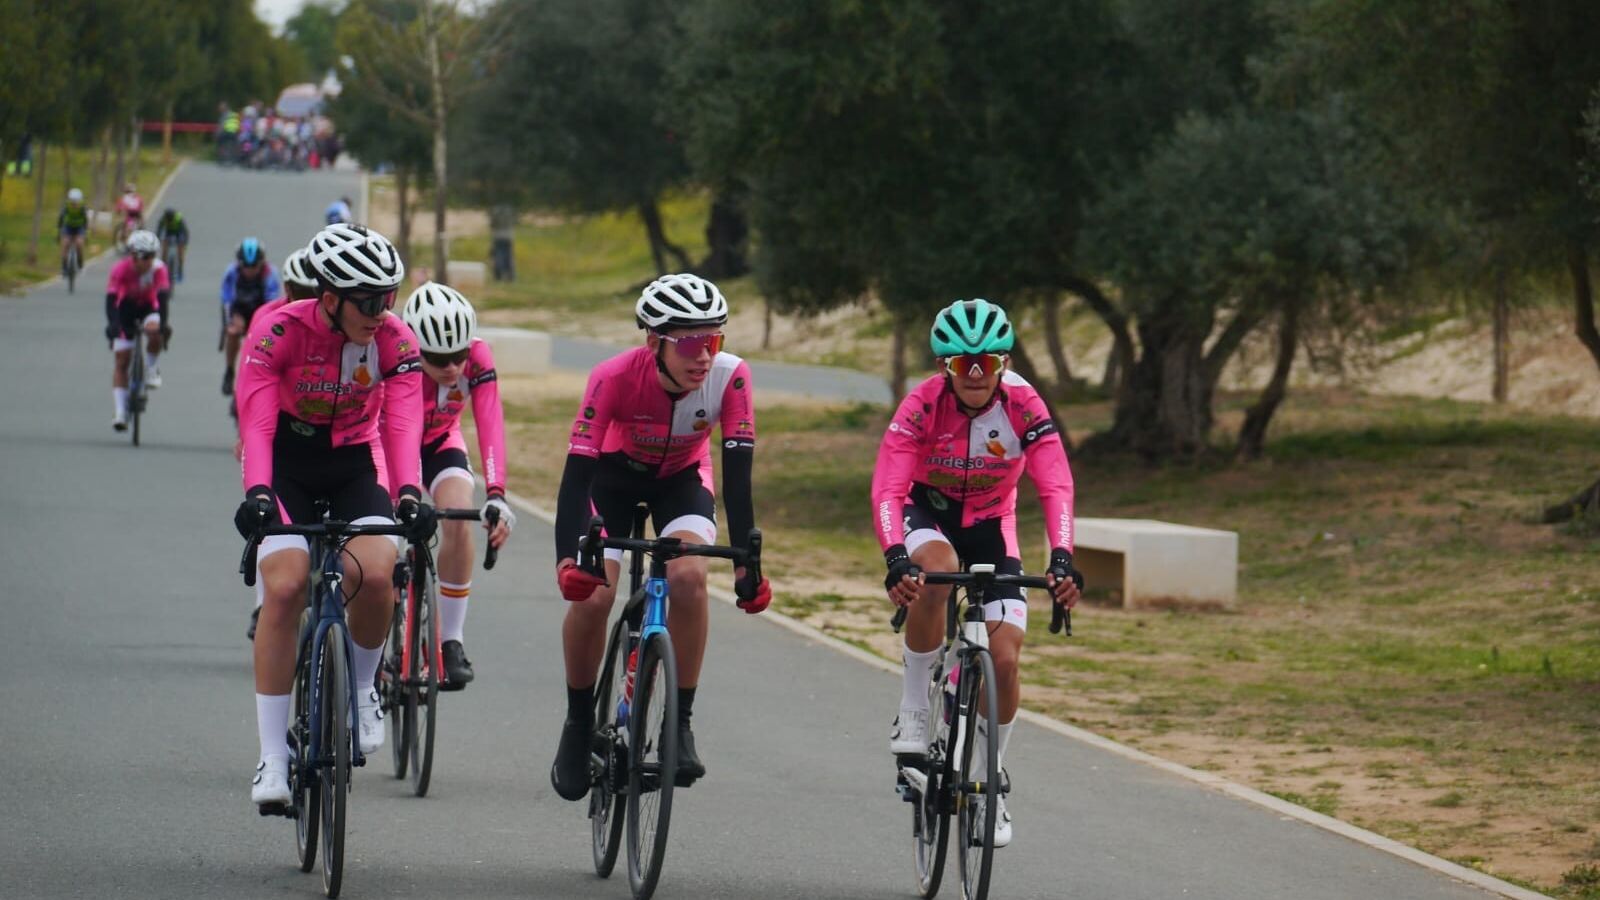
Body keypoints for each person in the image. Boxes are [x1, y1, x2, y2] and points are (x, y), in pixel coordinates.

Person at [232, 222, 433, 810]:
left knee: (376, 574)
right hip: (287, 464)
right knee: (288, 584)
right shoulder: (277, 331)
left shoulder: (394, 340)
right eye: (369, 301)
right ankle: (272, 756)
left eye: (389, 297)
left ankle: (365, 687)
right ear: (329, 299)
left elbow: (401, 423)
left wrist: (409, 492)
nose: (383, 312)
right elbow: (257, 421)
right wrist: (260, 492)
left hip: (351, 464)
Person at [549, 273, 772, 802]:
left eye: (713, 340)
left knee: (691, 577)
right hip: (613, 480)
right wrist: (566, 560)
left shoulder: (731, 377)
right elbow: (577, 476)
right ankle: (579, 722)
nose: (704, 356)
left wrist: (747, 565)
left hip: (682, 481)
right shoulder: (613, 376)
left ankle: (681, 724)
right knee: (596, 594)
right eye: (691, 342)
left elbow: (737, 481)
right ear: (654, 343)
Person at [871, 298, 1083, 849]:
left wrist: (1062, 557)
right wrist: (896, 555)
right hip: (927, 512)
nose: (972, 376)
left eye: (984, 365)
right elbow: (889, 488)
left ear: (1003, 364)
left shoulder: (1024, 405)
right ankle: (915, 707)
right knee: (936, 571)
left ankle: (991, 784)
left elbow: (1056, 484)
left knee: (1006, 659)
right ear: (943, 367)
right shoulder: (921, 405)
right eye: (960, 365)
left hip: (992, 522)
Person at [398, 282, 515, 688]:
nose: (451, 367)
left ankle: (450, 641)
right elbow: (396, 434)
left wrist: (497, 494)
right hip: (393, 443)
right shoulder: (397, 353)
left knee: (460, 517)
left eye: (458, 355)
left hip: (442, 440)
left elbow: (490, 423)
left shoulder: (478, 357)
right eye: (438, 358)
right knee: (381, 533)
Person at [104, 231, 170, 430]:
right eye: (146, 257)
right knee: (122, 360)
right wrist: (113, 325)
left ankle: (151, 368)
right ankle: (121, 412)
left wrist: (163, 325)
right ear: (134, 256)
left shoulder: (159, 269)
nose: (150, 261)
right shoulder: (120, 270)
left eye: (153, 255)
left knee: (154, 329)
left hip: (149, 307)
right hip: (126, 309)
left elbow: (163, 299)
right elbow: (111, 301)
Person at [219, 238, 282, 396]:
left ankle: (266, 370)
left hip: (261, 312)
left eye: (254, 266)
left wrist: (262, 329)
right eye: (245, 266)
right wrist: (229, 323)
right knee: (233, 333)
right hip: (239, 311)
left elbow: (272, 306)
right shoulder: (231, 273)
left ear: (261, 262)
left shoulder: (270, 273)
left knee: (266, 342)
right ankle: (229, 370)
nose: (249, 270)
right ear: (239, 263)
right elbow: (226, 302)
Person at [57, 188, 89, 274]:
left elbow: (86, 220)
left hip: (79, 227)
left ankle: (80, 264)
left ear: (80, 200)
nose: (74, 203)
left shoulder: (83, 207)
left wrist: (85, 233)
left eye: (76, 201)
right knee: (65, 244)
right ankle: (64, 267)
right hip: (68, 227)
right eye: (72, 201)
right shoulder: (66, 206)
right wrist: (59, 230)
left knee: (79, 244)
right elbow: (61, 218)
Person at [155, 208, 189, 282]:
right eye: (167, 219)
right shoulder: (163, 218)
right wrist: (157, 240)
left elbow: (185, 232)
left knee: (181, 253)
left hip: (178, 233)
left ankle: (180, 271)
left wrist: (184, 242)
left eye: (169, 219)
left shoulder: (178, 219)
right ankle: (163, 270)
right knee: (164, 251)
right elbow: (159, 230)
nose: (168, 221)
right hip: (168, 233)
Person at [115, 183, 144, 248]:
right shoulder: (127, 197)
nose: (129, 193)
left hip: (135, 215)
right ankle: (127, 241)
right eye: (128, 192)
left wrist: (119, 210)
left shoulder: (136, 198)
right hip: (131, 215)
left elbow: (140, 205)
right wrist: (119, 210)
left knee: (136, 226)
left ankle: (133, 238)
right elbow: (120, 204)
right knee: (129, 227)